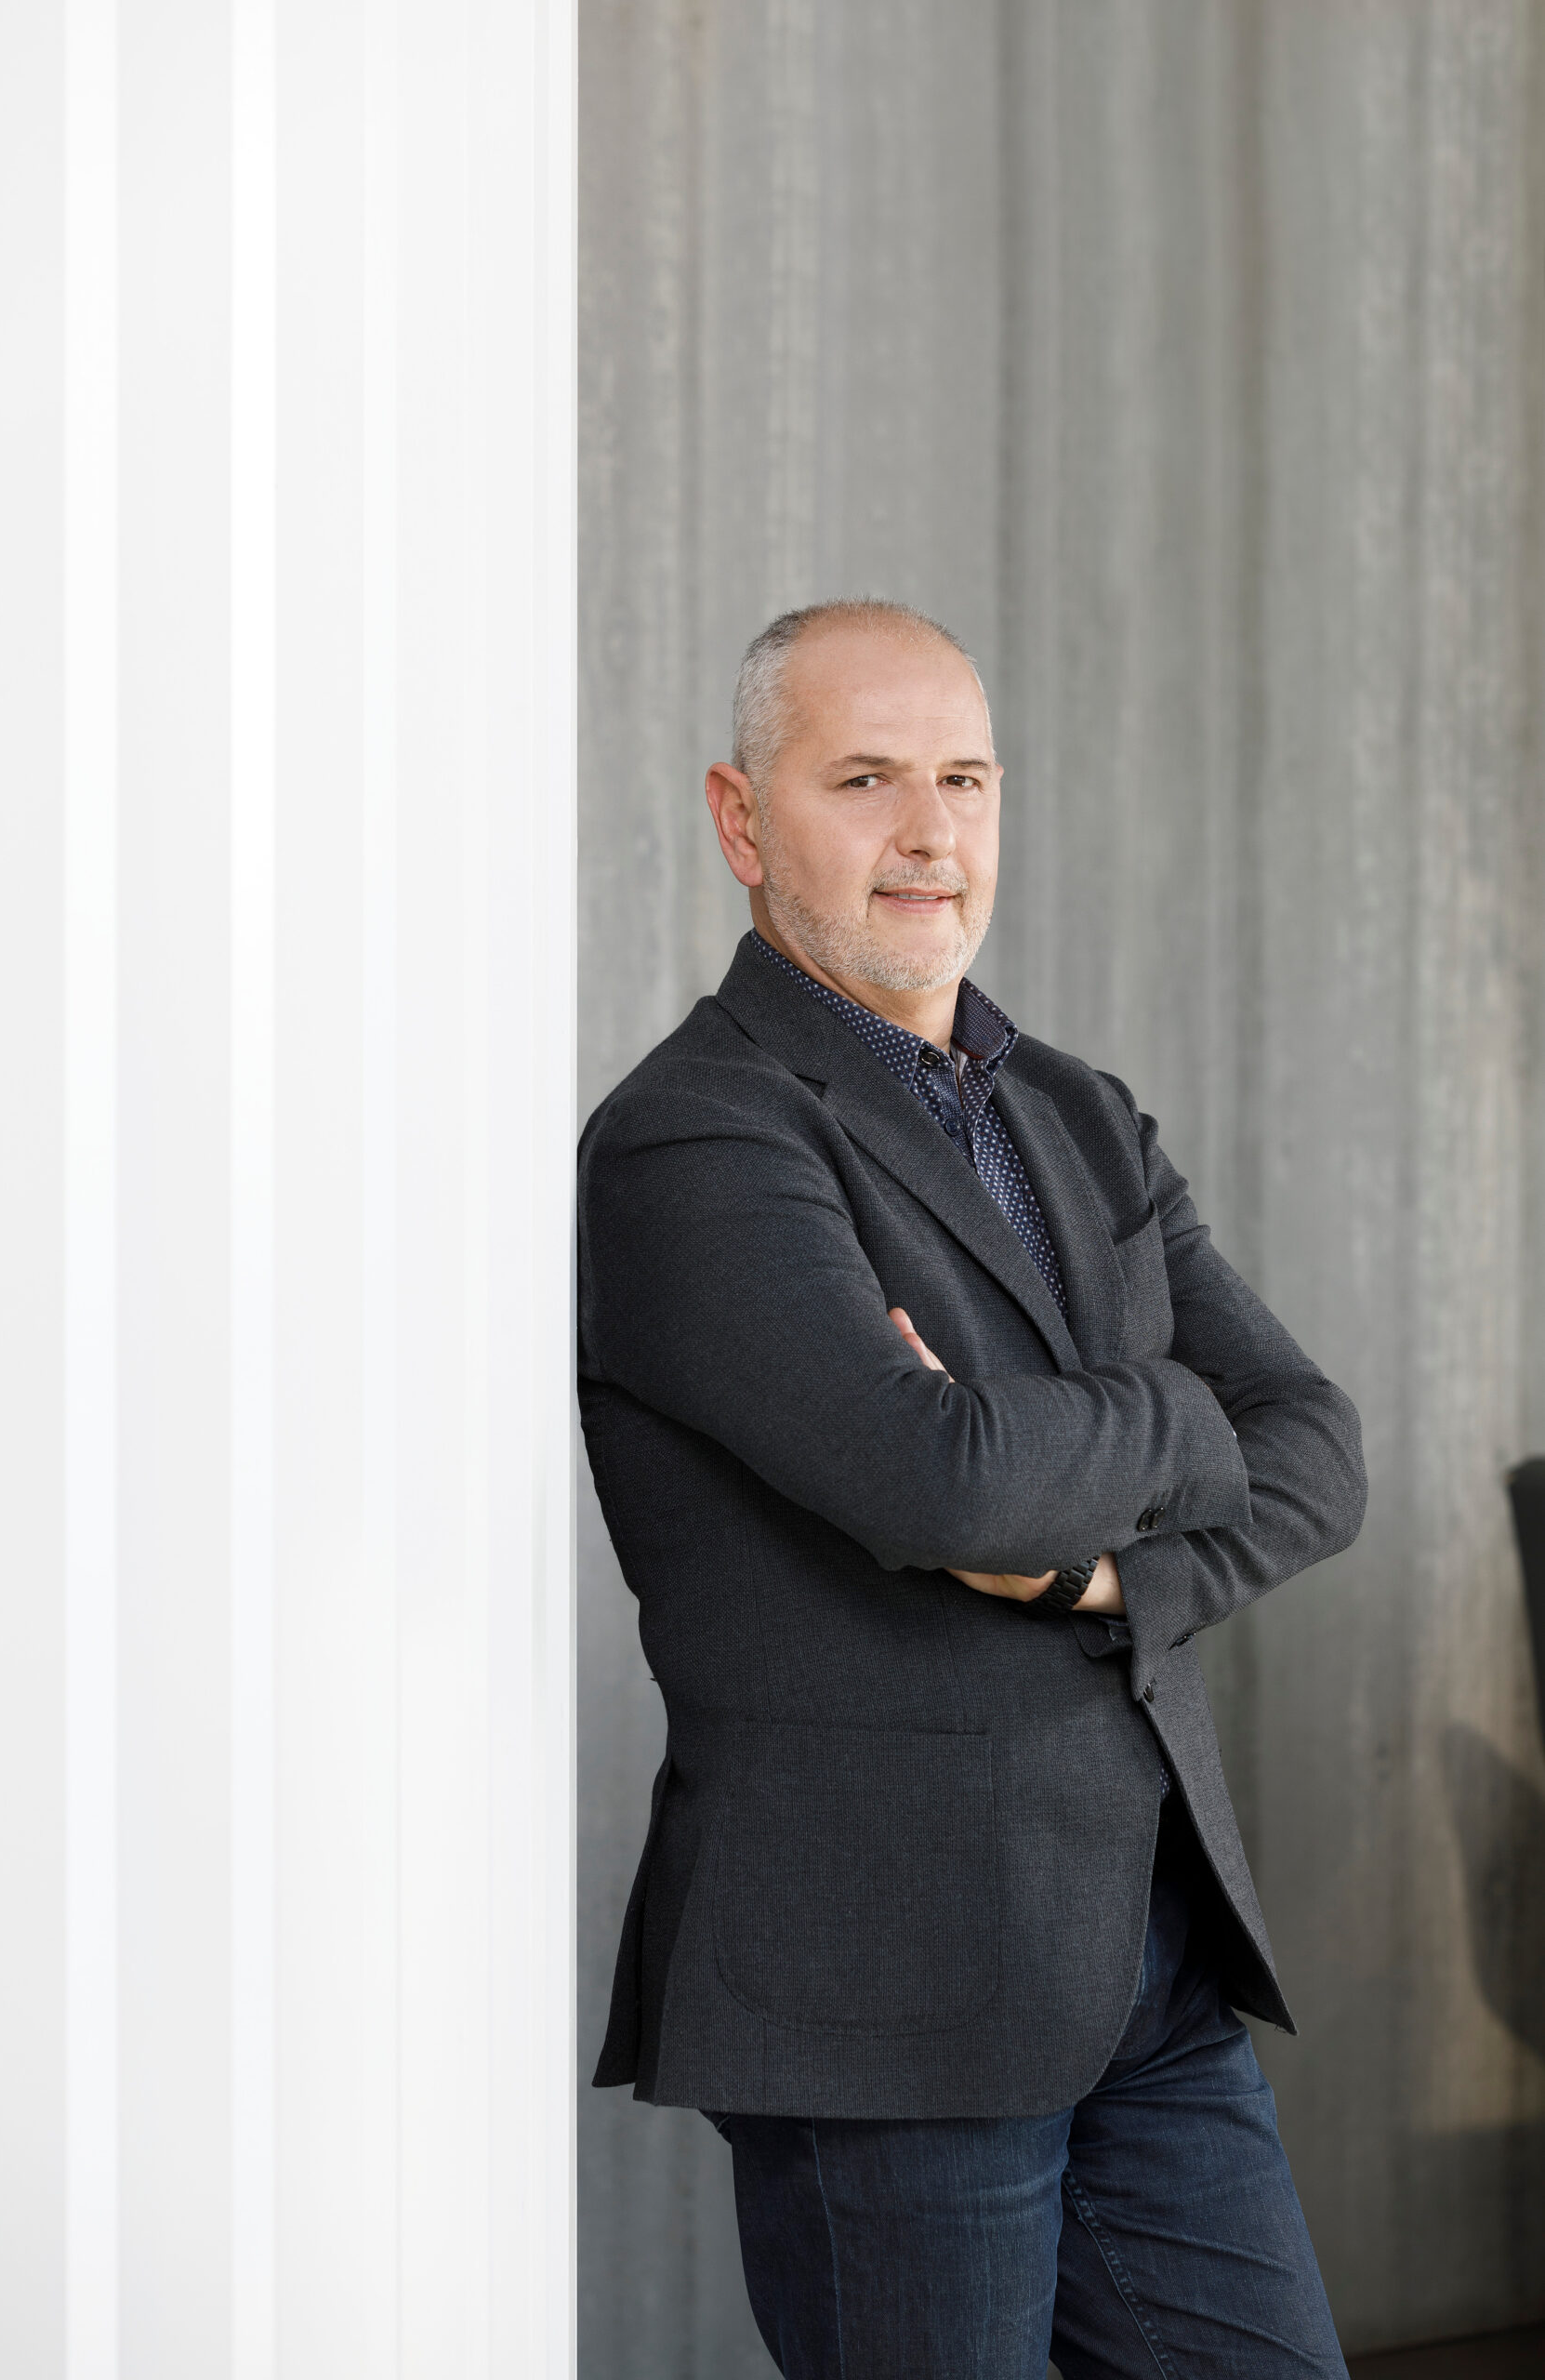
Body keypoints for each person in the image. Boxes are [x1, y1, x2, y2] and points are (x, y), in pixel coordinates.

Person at [578, 598, 1367, 2378]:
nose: (929, 832)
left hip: (1149, 1952)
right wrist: (1180, 1415)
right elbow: (941, 1484)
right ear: (741, 818)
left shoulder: (1081, 1115)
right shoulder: (697, 1139)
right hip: (893, 2000)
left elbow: (1316, 1444)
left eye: (965, 779)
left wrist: (1100, 1569)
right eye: (864, 779)